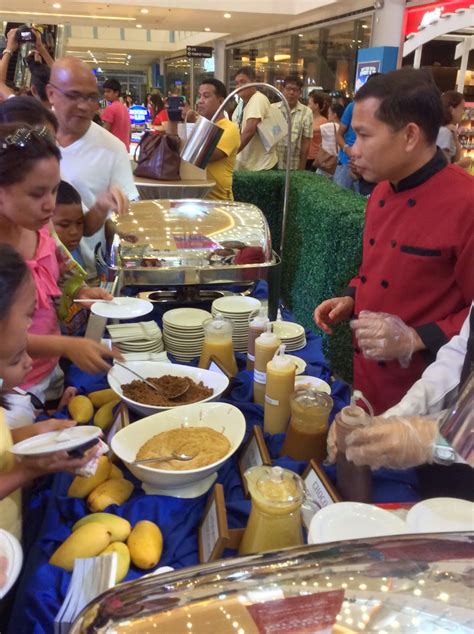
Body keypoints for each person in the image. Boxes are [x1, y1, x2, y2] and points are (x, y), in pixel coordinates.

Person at [313, 68, 474, 415]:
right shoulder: (381, 191)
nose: (352, 150)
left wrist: (415, 338)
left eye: (363, 135)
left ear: (410, 135)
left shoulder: (467, 204)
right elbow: (379, 269)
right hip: (368, 381)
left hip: (427, 400)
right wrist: (352, 296)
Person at [0, 123, 121, 402]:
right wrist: (68, 345)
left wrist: (79, 293)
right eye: (36, 194)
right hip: (11, 390)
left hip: (49, 372)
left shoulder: (41, 228)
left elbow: (59, 275)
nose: (50, 205)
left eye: (54, 191)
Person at [45, 57, 138, 275]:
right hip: (35, 272)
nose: (84, 106)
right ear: (51, 94)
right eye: (73, 96)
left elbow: (121, 221)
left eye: (91, 97)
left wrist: (103, 205)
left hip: (86, 273)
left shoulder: (112, 148)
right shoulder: (31, 138)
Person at [195, 78, 240, 201]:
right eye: (199, 96)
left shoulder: (230, 128)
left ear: (220, 101)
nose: (200, 101)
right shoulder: (199, 125)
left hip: (219, 202)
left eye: (206, 96)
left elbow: (207, 155)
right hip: (195, 197)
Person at [232, 66, 278, 171]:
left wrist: (230, 154)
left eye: (243, 82)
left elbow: (249, 130)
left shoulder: (258, 99)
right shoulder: (241, 103)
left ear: (254, 82)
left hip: (262, 166)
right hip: (247, 165)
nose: (239, 86)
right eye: (237, 83)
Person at [273, 75, 313, 171]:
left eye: (295, 90)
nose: (291, 92)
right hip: (272, 165)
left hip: (293, 166)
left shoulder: (307, 112)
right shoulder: (273, 109)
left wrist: (301, 169)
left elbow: (306, 143)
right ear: (282, 89)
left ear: (300, 92)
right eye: (288, 89)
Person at [437, 90, 472, 169]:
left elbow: (456, 158)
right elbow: (442, 169)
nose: (464, 112)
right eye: (462, 108)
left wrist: (456, 139)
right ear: (451, 109)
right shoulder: (444, 132)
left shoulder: (449, 131)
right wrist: (461, 164)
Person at [101, 78, 131, 152]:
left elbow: (104, 132)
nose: (105, 94)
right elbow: (129, 130)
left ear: (116, 93)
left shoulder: (110, 109)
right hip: (124, 149)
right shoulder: (124, 108)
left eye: (108, 91)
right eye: (104, 91)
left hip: (113, 150)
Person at [315, 102, 344, 178]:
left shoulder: (330, 126)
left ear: (334, 114)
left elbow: (312, 130)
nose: (328, 115)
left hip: (326, 161)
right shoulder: (342, 127)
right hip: (336, 162)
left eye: (329, 113)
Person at [306, 91, 328, 170]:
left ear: (316, 105)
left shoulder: (323, 121)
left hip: (315, 157)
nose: (307, 106)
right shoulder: (307, 118)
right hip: (305, 154)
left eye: (309, 103)